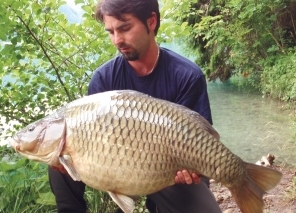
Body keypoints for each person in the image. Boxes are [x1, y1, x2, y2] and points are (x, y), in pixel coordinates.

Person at [48, 0, 222, 212]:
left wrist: (193, 170)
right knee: (58, 155)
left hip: (168, 168)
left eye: (124, 28)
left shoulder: (187, 76)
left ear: (151, 22)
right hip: (119, 164)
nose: (117, 40)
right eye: (110, 32)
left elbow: (203, 142)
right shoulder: (103, 79)